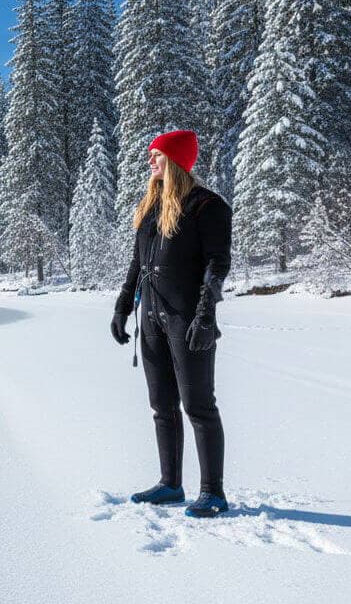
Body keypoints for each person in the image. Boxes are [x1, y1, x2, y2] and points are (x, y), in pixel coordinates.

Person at [110, 129, 233, 518]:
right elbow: (138, 264)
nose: (151, 161)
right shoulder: (150, 205)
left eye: (157, 154)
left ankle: (213, 492)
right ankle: (170, 484)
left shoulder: (206, 205)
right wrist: (122, 306)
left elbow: (217, 265)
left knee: (199, 406)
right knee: (162, 405)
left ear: (176, 159)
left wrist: (205, 314)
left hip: (188, 319)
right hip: (151, 319)